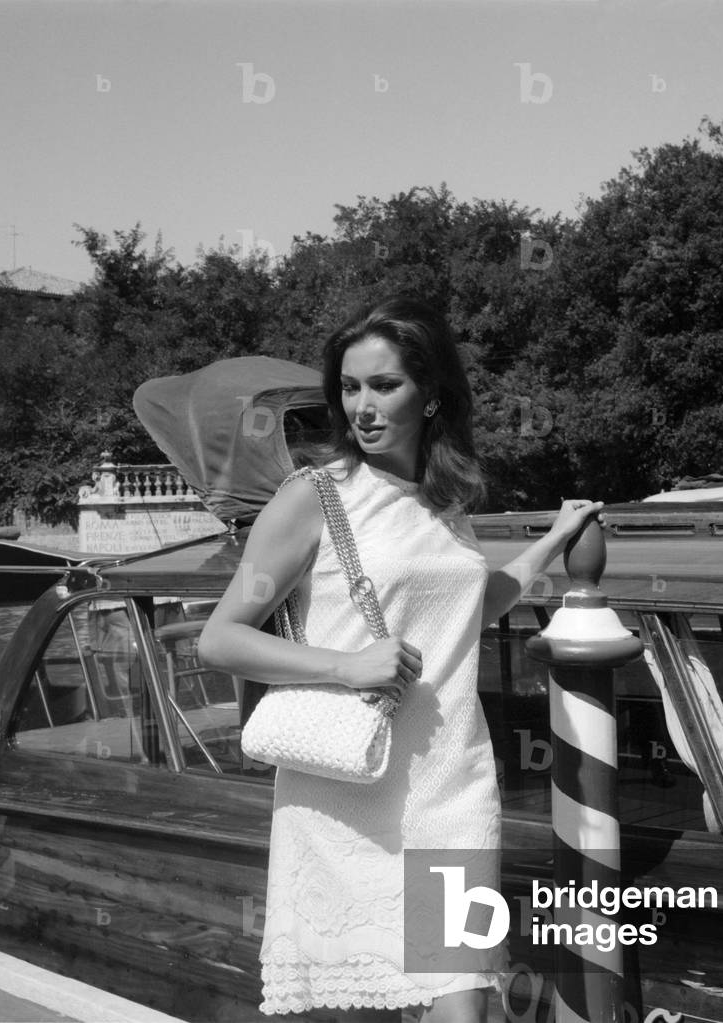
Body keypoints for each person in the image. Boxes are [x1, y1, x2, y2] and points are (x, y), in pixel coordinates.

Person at [198, 296, 604, 1023]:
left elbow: (462, 612)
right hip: (347, 788)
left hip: (452, 785)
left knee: (461, 1006)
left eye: (383, 385)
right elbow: (220, 637)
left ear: (432, 392)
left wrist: (553, 538)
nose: (362, 405)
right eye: (349, 387)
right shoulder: (313, 496)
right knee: (359, 1009)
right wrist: (345, 666)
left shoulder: (444, 500)